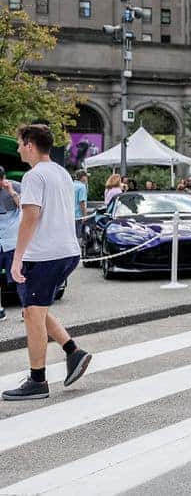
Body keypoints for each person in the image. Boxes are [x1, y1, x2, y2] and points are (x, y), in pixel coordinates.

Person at [2, 124, 92, 401]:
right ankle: (73, 352)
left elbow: (31, 216)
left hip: (44, 254)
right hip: (65, 250)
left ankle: (38, 380)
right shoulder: (61, 173)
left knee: (32, 314)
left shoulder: (34, 176)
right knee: (34, 309)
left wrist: (17, 257)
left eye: (19, 144)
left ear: (30, 144)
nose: (18, 149)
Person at [0, 166, 21, 323]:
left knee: (19, 276)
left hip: (12, 241)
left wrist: (12, 192)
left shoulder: (15, 186)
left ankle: (26, 309)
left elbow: (25, 207)